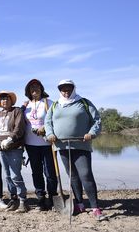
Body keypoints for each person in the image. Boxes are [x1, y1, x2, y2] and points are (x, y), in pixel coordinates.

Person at [45, 79, 106, 221]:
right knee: (72, 176)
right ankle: (79, 204)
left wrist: (91, 133)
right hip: (62, 145)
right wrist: (50, 134)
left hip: (81, 145)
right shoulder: (55, 105)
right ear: (59, 90)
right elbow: (48, 122)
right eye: (62, 89)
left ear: (73, 89)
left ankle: (95, 207)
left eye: (68, 88)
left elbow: (96, 120)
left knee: (86, 175)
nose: (65, 91)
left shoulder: (83, 102)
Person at [0, 91, 29, 212]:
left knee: (15, 175)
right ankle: (14, 199)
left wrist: (10, 139)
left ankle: (23, 200)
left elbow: (19, 128)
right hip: (1, 148)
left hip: (14, 148)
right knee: (7, 176)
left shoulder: (17, 111)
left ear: (11, 100)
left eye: (6, 98)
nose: (4, 101)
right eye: (2, 99)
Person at [22, 79, 57, 211]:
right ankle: (40, 197)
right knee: (36, 172)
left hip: (47, 143)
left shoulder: (49, 103)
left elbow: (56, 121)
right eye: (31, 88)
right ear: (28, 91)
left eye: (37, 87)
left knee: (50, 172)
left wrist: (46, 128)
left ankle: (53, 196)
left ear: (41, 89)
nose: (34, 89)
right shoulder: (26, 105)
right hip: (31, 144)